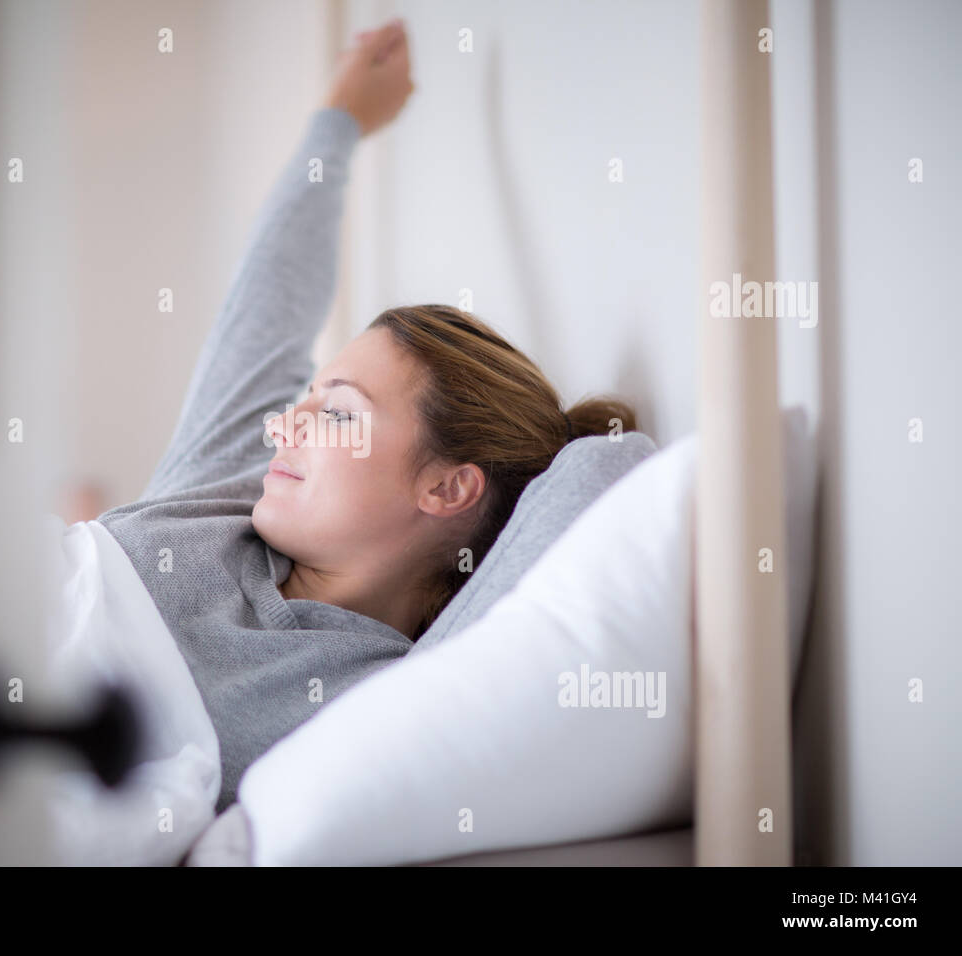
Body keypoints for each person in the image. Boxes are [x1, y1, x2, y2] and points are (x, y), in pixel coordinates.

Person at [97, 19, 636, 811]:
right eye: (305, 401)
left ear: (449, 488)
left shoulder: (388, 694)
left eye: (338, 412)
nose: (286, 426)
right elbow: (265, 313)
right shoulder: (227, 498)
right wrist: (340, 120)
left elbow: (604, 467)